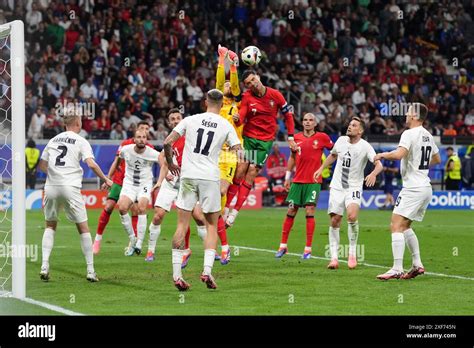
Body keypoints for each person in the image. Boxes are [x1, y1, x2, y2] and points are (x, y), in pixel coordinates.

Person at [163, 89, 242, 291]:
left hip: (188, 176)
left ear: (205, 101)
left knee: (182, 224)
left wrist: (171, 163)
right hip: (210, 178)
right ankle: (207, 271)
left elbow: (167, 142)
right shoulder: (226, 124)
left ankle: (176, 275)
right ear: (222, 102)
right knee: (211, 226)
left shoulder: (190, 119)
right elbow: (239, 152)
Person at [38, 114, 113, 282]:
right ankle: (90, 271)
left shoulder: (53, 140)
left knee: (50, 225)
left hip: (51, 187)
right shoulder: (81, 141)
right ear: (78, 124)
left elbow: (42, 165)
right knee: (83, 228)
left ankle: (44, 265)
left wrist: (55, 174)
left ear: (65, 125)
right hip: (70, 187)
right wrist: (105, 178)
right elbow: (91, 164)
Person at [374, 103, 441, 280]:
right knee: (405, 226)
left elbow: (398, 154)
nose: (406, 114)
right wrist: (420, 166)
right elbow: (437, 159)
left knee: (395, 224)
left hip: (413, 187)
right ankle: (417, 265)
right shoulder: (428, 135)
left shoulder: (409, 133)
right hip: (425, 187)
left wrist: (382, 155)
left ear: (415, 116)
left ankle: (396, 268)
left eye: (409, 111)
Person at [224, 69, 297, 227]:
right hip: (249, 138)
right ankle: (225, 209)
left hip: (265, 142)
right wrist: (237, 119)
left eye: (252, 80)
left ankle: (234, 213)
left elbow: (288, 116)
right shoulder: (247, 97)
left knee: (251, 173)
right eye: (248, 83)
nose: (252, 84)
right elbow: (241, 117)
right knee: (240, 170)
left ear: (258, 76)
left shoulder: (275, 95)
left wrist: (290, 137)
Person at [314, 117, 383, 269]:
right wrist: (321, 169)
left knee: (352, 216)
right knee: (335, 220)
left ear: (360, 130)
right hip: (338, 186)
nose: (350, 127)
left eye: (354, 125)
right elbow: (333, 155)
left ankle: (352, 254)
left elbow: (379, 164)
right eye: (350, 124)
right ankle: (334, 259)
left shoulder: (365, 146)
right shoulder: (340, 140)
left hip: (354, 187)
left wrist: (373, 174)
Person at [147, 109, 207, 264]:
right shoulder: (170, 139)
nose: (175, 121)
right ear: (169, 122)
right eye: (172, 119)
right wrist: (161, 178)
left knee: (198, 217)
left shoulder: (192, 136)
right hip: (171, 181)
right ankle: (150, 250)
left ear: (183, 119)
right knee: (158, 215)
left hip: (187, 181)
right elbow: (162, 157)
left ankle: (206, 250)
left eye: (177, 118)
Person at [276, 113, 333, 259]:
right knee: (291, 211)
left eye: (311, 120)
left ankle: (308, 249)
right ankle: (283, 246)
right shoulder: (296, 138)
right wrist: (287, 177)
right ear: (302, 123)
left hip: (313, 181)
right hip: (297, 181)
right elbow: (292, 158)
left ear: (315, 123)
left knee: (309, 210)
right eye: (305, 120)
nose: (308, 122)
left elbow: (334, 153)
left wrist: (323, 168)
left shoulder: (322, 137)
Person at [93, 121, 154, 255]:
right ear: (136, 130)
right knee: (108, 207)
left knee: (135, 210)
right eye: (142, 128)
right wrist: (108, 178)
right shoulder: (125, 144)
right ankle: (97, 239)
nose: (144, 131)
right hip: (120, 180)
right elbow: (117, 161)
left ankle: (133, 243)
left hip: (136, 183)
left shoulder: (149, 147)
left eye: (147, 129)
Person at [213, 44, 242, 263]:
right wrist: (222, 60)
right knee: (214, 210)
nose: (226, 86)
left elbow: (233, 83)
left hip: (229, 155)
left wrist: (233, 66)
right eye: (223, 85)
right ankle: (222, 248)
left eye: (228, 85)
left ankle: (221, 247)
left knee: (223, 190)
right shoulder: (216, 105)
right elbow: (218, 83)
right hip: (212, 155)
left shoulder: (237, 104)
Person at [112, 130, 161, 256]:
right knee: (122, 208)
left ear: (146, 139)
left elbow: (164, 163)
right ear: (134, 139)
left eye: (144, 137)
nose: (141, 139)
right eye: (139, 137)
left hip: (144, 184)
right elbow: (119, 158)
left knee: (142, 207)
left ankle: (139, 241)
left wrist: (161, 180)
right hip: (129, 184)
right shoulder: (126, 149)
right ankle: (132, 238)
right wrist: (117, 167)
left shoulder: (152, 153)